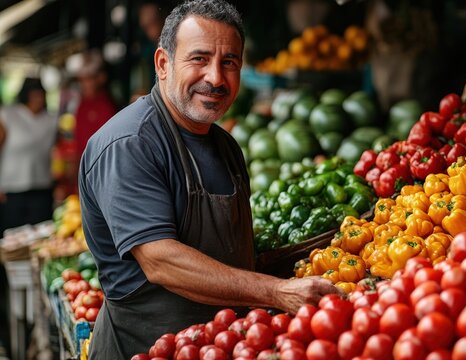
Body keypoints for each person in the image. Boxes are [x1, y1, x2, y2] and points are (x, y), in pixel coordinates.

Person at [78, 1, 340, 358]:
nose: (216, 78)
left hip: (222, 345)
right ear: (163, 64)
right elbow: (160, 260)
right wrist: (277, 292)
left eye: (229, 62)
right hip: (151, 349)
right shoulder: (130, 143)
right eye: (199, 59)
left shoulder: (225, 146)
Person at [0, 77, 58, 231]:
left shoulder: (51, 120)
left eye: (40, 94)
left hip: (42, 189)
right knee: (12, 237)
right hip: (11, 190)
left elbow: (59, 152)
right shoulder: (8, 115)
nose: (38, 98)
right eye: (34, 94)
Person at [73, 49, 118, 161]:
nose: (84, 84)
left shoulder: (106, 106)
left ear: (101, 78)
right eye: (81, 79)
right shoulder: (81, 104)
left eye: (89, 78)